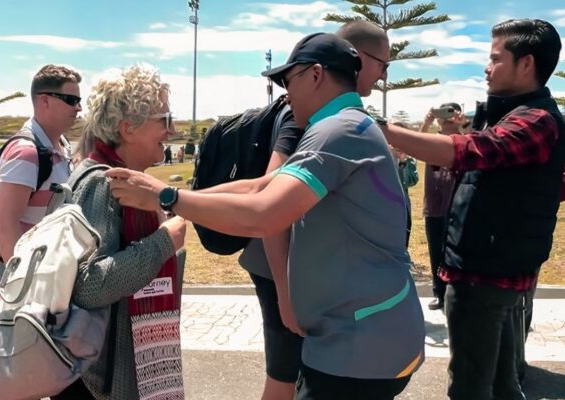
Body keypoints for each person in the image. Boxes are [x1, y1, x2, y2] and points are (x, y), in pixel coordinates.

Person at [107, 33, 425, 400]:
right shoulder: (343, 126)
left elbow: (263, 215)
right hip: (363, 334)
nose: (286, 95)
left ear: (316, 75)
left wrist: (166, 196)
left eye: (288, 81)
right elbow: (261, 188)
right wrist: (163, 198)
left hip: (359, 346)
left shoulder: (337, 132)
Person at [379, 19, 564, 400]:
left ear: (526, 64)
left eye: (495, 58)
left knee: (470, 385)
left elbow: (464, 150)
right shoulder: (515, 115)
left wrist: (383, 130)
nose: (486, 67)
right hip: (495, 268)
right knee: (500, 382)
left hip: (487, 274)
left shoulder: (536, 120)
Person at [234, 20, 392, 400]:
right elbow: (270, 202)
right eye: (382, 64)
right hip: (280, 267)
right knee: (285, 374)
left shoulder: (338, 116)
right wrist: (287, 295)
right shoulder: (304, 116)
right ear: (355, 58)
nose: (385, 75)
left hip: (303, 269)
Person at [52, 64, 187, 400]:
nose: (170, 132)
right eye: (164, 121)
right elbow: (89, 286)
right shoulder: (103, 182)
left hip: (109, 369)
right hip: (100, 380)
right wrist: (163, 242)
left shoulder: (126, 181)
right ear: (128, 128)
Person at [0, 65, 81, 276]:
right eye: (71, 100)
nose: (78, 108)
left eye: (78, 101)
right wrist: (23, 284)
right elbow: (6, 225)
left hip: (54, 273)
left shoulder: (62, 144)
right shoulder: (25, 153)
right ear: (45, 101)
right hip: (31, 281)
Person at [420, 103, 465, 311]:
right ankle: (439, 293)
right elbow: (416, 148)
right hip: (434, 206)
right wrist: (426, 122)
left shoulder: (465, 141)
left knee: (456, 252)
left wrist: (462, 126)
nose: (446, 118)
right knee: (435, 251)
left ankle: (455, 293)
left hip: (458, 206)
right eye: (443, 114)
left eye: (451, 113)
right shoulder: (431, 141)